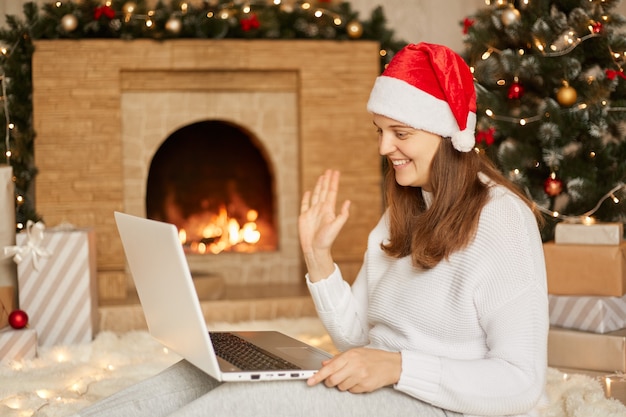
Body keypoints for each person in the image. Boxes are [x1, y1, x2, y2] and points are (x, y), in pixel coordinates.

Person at [74, 43, 548, 417]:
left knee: (238, 407)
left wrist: (399, 367)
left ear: (450, 136)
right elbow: (358, 338)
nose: (385, 147)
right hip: (385, 386)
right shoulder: (403, 209)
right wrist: (318, 257)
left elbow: (522, 382)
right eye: (379, 131)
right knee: (197, 374)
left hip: (442, 406)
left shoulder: (502, 220)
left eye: (400, 133)